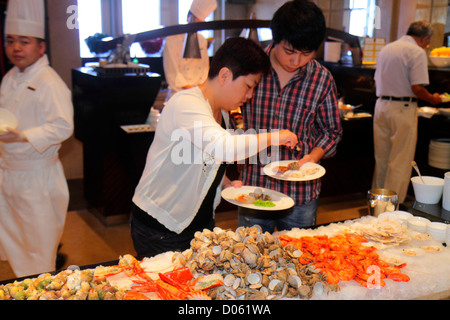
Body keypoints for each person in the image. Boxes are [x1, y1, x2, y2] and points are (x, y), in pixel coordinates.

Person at [131, 37, 298, 258]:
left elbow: (203, 155)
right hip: (161, 225)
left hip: (197, 223)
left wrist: (223, 181)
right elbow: (223, 147)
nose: (250, 96)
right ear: (225, 75)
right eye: (248, 86)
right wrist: (275, 136)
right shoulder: (186, 103)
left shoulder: (223, 113)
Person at [238, 0, 343, 233]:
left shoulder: (321, 78)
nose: (296, 61)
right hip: (255, 186)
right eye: (289, 51)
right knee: (246, 258)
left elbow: (332, 131)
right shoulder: (251, 68)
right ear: (275, 39)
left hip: (301, 192)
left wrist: (312, 158)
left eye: (306, 54)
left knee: (299, 259)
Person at [0, 0, 74, 277]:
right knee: (15, 245)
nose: (16, 48)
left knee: (37, 252)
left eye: (24, 41)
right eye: (10, 41)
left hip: (37, 180)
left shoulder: (48, 80)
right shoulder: (9, 77)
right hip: (9, 174)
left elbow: (63, 126)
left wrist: (23, 136)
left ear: (41, 47)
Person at [372, 20, 442, 204]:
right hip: (402, 109)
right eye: (428, 42)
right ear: (425, 38)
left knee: (382, 158)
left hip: (381, 106)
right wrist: (434, 99)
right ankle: (392, 207)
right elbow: (417, 88)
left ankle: (378, 203)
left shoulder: (387, 49)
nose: (427, 46)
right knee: (400, 161)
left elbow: (376, 81)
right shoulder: (416, 52)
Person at [162, 0, 217, 100]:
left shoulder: (201, 40)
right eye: (197, 21)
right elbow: (173, 75)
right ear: (189, 18)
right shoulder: (171, 41)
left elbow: (205, 70)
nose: (199, 26)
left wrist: (198, 90)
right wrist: (193, 90)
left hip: (199, 95)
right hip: (177, 97)